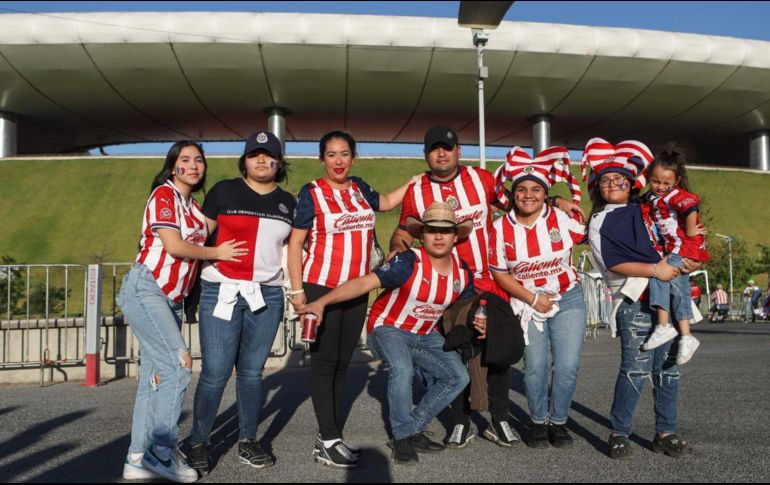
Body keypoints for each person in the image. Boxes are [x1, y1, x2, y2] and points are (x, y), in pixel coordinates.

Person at [389, 127, 584, 449]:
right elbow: (404, 231)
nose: (442, 154)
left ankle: (500, 418)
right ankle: (461, 421)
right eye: (435, 149)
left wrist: (556, 199)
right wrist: (398, 247)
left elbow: (520, 201)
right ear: (426, 154)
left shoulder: (481, 178)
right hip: (449, 284)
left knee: (498, 352)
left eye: (447, 148)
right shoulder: (417, 190)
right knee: (458, 349)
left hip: (491, 279)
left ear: (458, 151)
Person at [300, 202, 475, 466]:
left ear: (455, 236)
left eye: (445, 231)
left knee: (458, 377)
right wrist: (321, 302)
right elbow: (364, 282)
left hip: (425, 334)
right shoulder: (406, 262)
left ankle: (413, 428)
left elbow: (471, 305)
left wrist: (481, 320)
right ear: (421, 234)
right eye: (431, 230)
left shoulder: (463, 272)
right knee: (402, 368)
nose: (438, 236)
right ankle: (402, 438)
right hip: (388, 327)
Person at [117, 141, 248, 483]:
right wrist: (216, 252)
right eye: (185, 160)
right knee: (179, 367)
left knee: (154, 379)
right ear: (172, 166)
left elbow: (227, 221)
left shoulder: (194, 208)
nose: (193, 165)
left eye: (199, 160)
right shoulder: (165, 195)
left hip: (171, 300)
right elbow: (174, 246)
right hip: (147, 289)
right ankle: (162, 452)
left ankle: (135, 457)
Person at [287, 130, 417, 468]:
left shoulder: (359, 187)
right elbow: (295, 245)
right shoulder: (312, 193)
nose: (339, 161)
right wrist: (298, 291)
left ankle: (327, 438)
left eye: (344, 154)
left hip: (357, 288)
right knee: (324, 362)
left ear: (353, 156)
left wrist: (417, 182)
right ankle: (329, 439)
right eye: (331, 155)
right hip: (320, 287)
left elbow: (386, 203)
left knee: (343, 362)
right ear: (322, 159)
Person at [185, 132, 295, 474]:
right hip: (222, 290)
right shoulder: (223, 191)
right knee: (215, 373)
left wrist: (298, 294)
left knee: (251, 373)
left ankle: (248, 440)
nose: (261, 160)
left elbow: (293, 253)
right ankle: (198, 441)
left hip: (268, 294)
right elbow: (197, 237)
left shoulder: (290, 203)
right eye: (254, 155)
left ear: (279, 162)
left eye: (268, 155)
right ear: (244, 160)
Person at [583, 137, 696, 460]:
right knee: (635, 368)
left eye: (619, 179)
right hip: (634, 300)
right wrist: (654, 270)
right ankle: (619, 432)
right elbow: (613, 262)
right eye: (605, 180)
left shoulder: (648, 206)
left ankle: (666, 431)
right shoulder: (601, 220)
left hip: (670, 296)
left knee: (669, 369)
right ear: (597, 186)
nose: (612, 184)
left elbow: (681, 227)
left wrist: (690, 254)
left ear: (632, 182)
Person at [487, 146, 587, 449]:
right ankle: (538, 421)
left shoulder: (561, 217)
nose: (528, 194)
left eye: (535, 189)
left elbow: (595, 235)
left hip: (567, 297)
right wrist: (532, 299)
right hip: (527, 304)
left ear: (545, 193)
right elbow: (500, 274)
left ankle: (559, 422)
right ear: (513, 193)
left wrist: (562, 202)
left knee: (567, 365)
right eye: (521, 189)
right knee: (535, 366)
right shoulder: (500, 228)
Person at [640, 145, 709, 365]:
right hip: (677, 248)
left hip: (683, 246)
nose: (660, 187)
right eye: (656, 181)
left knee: (660, 275)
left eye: (666, 183)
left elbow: (691, 206)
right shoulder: (652, 197)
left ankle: (663, 326)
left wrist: (691, 229)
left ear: (676, 182)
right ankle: (686, 336)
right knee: (679, 290)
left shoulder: (676, 195)